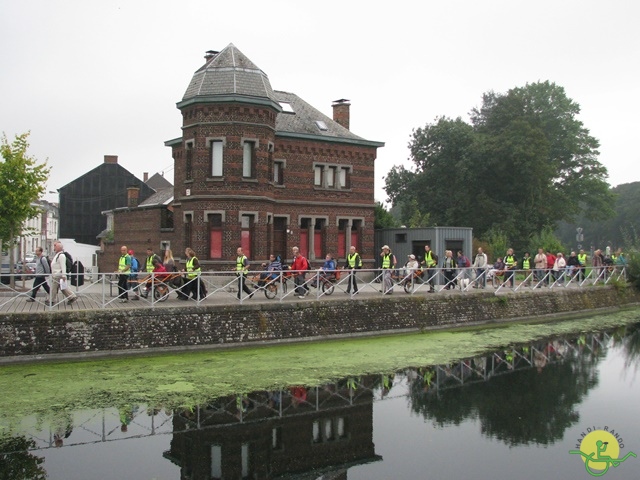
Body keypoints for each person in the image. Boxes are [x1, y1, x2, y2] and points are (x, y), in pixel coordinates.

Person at [50, 240, 77, 305]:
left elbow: (63, 266)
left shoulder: (61, 255)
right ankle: (72, 296)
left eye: (55, 246)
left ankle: (51, 301)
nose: (54, 247)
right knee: (63, 288)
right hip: (56, 274)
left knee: (54, 288)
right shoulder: (58, 255)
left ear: (59, 247)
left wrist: (64, 275)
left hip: (58, 274)